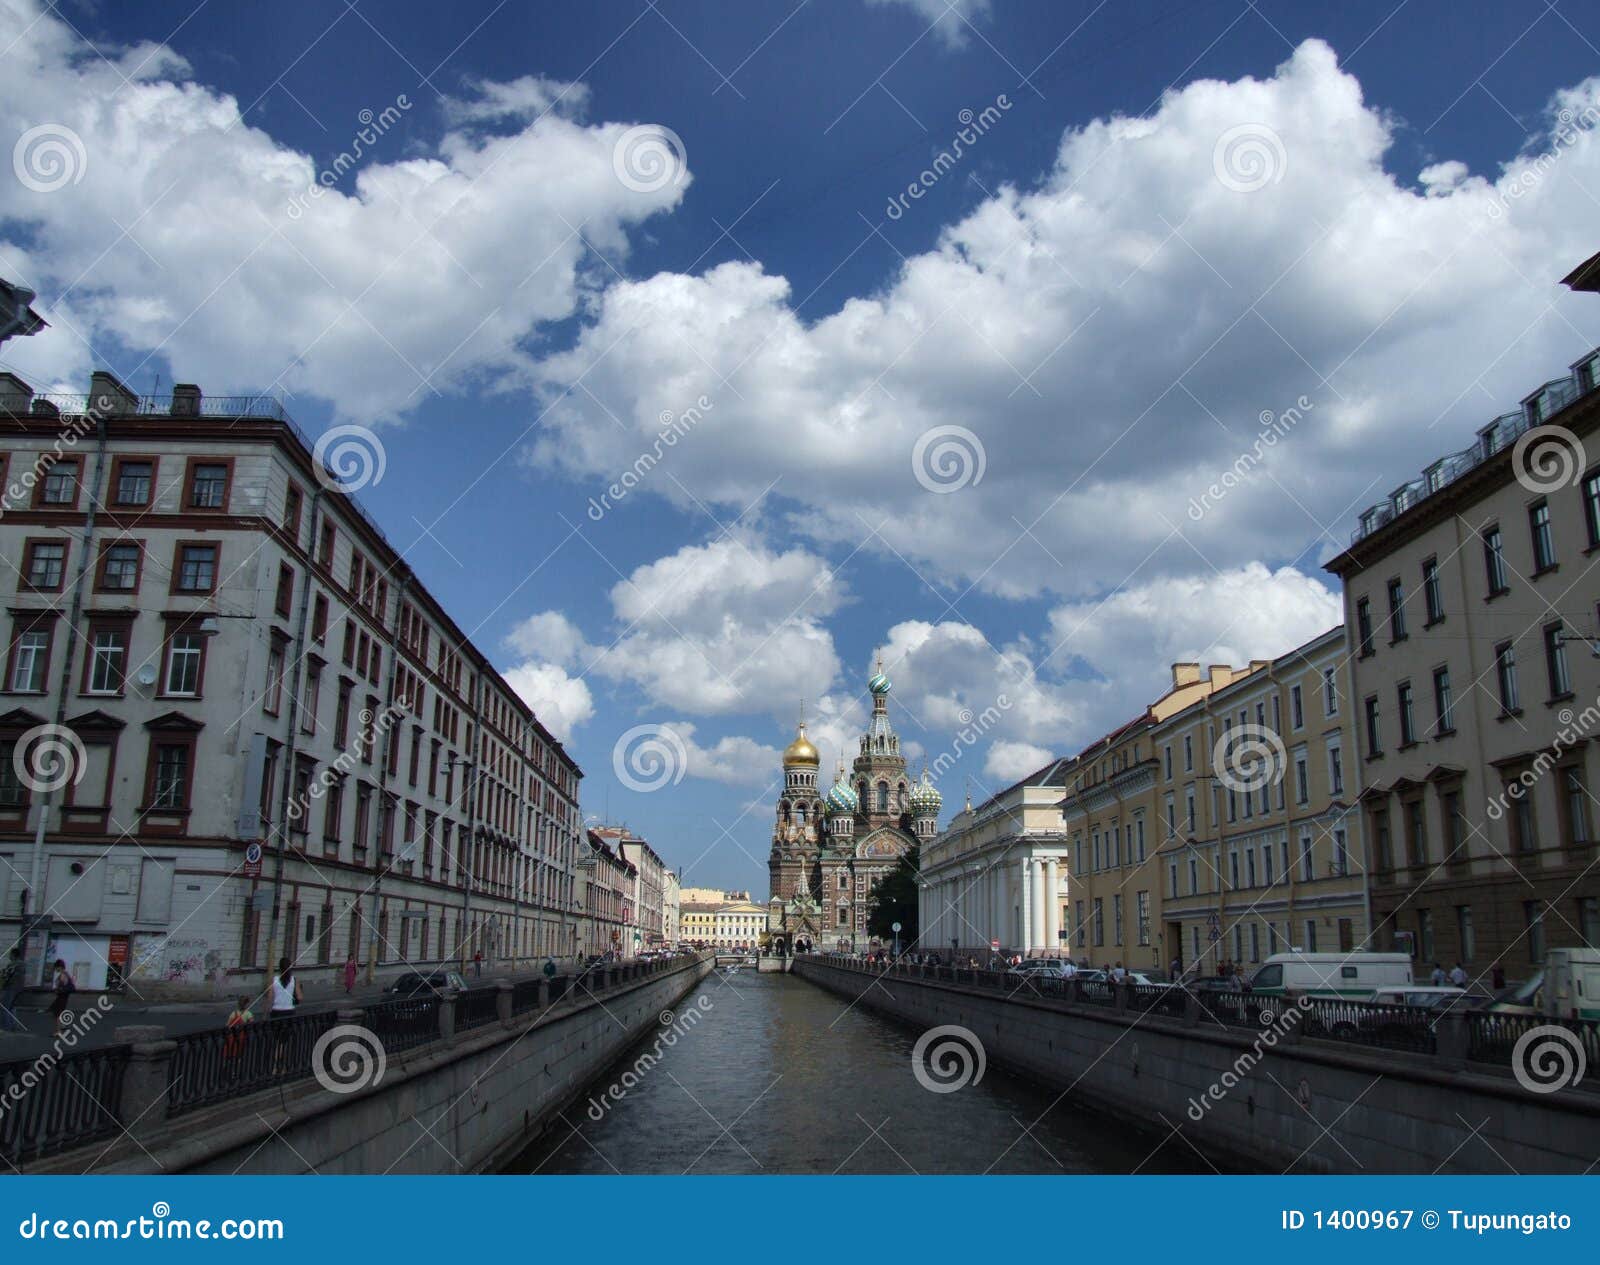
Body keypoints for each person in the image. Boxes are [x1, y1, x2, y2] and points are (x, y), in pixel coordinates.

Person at [269, 957, 302, 1069]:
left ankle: (274, 1064)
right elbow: (300, 997)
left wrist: (266, 1013)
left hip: (276, 1012)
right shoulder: (294, 980)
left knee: (277, 1039)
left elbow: (270, 998)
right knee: (284, 1041)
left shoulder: (274, 980)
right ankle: (279, 1064)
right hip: (289, 1012)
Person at [223, 995, 254, 1075]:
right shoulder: (248, 1014)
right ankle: (235, 1070)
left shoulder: (234, 1013)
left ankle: (227, 1067)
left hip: (232, 1036)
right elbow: (252, 1024)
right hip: (241, 1037)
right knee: (238, 1054)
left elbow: (227, 1025)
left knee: (230, 1053)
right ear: (247, 1004)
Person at [0, 947, 23, 1033]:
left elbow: (6, 976)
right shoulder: (22, 964)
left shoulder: (13, 964)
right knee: (12, 1008)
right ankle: (14, 1025)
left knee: (4, 1008)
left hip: (10, 988)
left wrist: (2, 974)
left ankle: (6, 1027)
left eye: (10, 954)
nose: (9, 956)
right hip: (19, 989)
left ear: (13, 955)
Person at [49, 959, 75, 1035]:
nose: (55, 969)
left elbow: (63, 986)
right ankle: (62, 1026)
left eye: (56, 967)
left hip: (62, 997)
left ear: (59, 967)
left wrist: (57, 989)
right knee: (56, 1012)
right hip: (63, 997)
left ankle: (58, 1031)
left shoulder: (63, 975)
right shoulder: (65, 974)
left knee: (57, 1013)